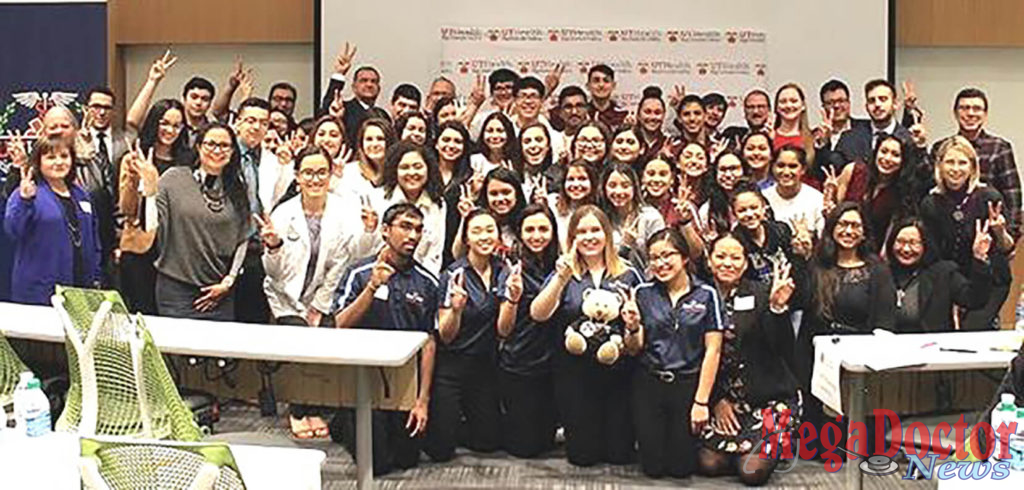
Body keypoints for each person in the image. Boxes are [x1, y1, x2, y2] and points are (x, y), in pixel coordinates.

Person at [259, 147, 373, 439]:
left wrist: (319, 306)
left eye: (321, 171)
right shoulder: (284, 214)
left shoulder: (343, 210)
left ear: (329, 175)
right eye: (308, 172)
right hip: (285, 297)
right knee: (300, 337)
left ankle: (315, 406)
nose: (315, 178)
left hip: (324, 294)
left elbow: (345, 262)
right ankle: (298, 410)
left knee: (323, 332)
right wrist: (273, 247)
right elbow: (276, 275)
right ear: (297, 176)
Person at [530, 205, 643, 466]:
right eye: (581, 232)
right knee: (583, 457)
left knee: (619, 456)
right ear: (572, 238)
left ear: (607, 234)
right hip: (574, 375)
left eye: (596, 230)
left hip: (618, 375)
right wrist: (561, 278)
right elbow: (538, 313)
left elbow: (637, 341)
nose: (589, 237)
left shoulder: (628, 273)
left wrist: (633, 325)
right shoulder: (565, 273)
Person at [332, 203, 437, 476]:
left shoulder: (427, 282)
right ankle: (344, 419)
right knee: (376, 463)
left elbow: (429, 343)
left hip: (403, 382)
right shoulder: (359, 273)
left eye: (417, 229)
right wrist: (372, 288)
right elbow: (339, 325)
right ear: (386, 231)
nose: (412, 236)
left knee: (406, 459)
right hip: (362, 379)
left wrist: (422, 401)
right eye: (405, 227)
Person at [697, 233, 801, 486]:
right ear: (709, 261)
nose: (727, 263)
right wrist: (717, 399)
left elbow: (784, 347)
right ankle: (746, 447)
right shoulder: (699, 296)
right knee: (709, 465)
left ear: (745, 264)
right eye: (720, 256)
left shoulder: (763, 293)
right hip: (724, 401)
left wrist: (777, 309)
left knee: (751, 472)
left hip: (768, 398)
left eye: (735, 257)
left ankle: (766, 442)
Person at [621, 228, 726, 478]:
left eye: (668, 255)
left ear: (684, 258)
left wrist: (701, 402)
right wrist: (633, 327)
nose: (661, 263)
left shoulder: (706, 294)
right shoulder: (643, 293)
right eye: (654, 258)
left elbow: (714, 350)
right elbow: (634, 348)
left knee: (681, 469)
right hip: (649, 383)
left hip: (688, 385)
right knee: (653, 469)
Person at [138, 123, 251, 320]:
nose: (217, 150)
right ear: (198, 147)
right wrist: (149, 192)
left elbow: (243, 237)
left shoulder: (237, 189)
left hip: (219, 293)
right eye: (211, 144)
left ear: (233, 151)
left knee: (216, 351)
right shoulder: (174, 179)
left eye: (225, 146)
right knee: (179, 350)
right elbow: (150, 227)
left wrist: (229, 281)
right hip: (176, 289)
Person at [427, 209, 511, 461]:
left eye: (489, 230)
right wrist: (456, 310)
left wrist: (513, 300)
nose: (484, 236)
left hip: (485, 366)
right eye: (476, 231)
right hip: (452, 365)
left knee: (488, 443)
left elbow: (503, 330)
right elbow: (446, 335)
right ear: (466, 239)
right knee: (440, 450)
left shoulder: (503, 270)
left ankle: (461, 424)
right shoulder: (454, 274)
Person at [920, 136, 1014, 330]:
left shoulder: (989, 197)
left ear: (972, 167)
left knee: (972, 331)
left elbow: (1007, 248)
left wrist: (1000, 232)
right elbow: (933, 257)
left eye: (962, 163)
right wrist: (953, 295)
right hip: (949, 278)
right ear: (940, 165)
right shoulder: (930, 203)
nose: (955, 169)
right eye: (950, 162)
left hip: (989, 278)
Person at [5, 136, 102, 305]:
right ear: (38, 162)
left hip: (80, 288)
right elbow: (13, 230)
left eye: (64, 156)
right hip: (39, 291)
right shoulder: (28, 192)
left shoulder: (81, 194)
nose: (59, 162)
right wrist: (25, 201)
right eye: (50, 157)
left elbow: (93, 238)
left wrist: (96, 275)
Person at [117, 99, 192, 314]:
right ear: (153, 123)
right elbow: (126, 209)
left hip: (175, 249)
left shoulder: (188, 160)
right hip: (140, 247)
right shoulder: (133, 158)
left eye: (177, 125)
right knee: (142, 312)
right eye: (164, 123)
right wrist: (135, 179)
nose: (170, 130)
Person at [498, 204, 560, 457]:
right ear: (520, 233)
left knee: (548, 443)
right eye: (530, 229)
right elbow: (503, 329)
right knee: (524, 448)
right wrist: (513, 298)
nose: (537, 235)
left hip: (555, 362)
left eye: (543, 229)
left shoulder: (562, 265)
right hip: (520, 360)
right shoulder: (511, 268)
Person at [930, 88, 1021, 244]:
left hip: (989, 235)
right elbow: (931, 185)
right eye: (965, 108)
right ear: (955, 113)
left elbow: (1012, 195)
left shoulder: (999, 147)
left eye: (977, 108)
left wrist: (1008, 238)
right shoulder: (942, 147)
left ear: (985, 115)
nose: (970, 113)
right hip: (948, 234)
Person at [885, 217, 993, 332]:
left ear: (925, 245)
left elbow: (974, 299)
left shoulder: (943, 273)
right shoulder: (881, 273)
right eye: (900, 242)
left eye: (913, 243)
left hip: (932, 345)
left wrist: (979, 259)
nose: (906, 249)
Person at [834, 135, 924, 247]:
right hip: (842, 240)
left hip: (872, 249)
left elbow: (890, 235)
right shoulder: (854, 170)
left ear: (904, 161)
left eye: (895, 155)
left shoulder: (903, 191)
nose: (887, 158)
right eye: (884, 151)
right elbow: (836, 211)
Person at [380, 141, 446, 275]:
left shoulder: (438, 204)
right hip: (383, 275)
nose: (412, 172)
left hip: (422, 281)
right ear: (395, 171)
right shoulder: (380, 199)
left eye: (417, 167)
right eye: (405, 167)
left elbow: (434, 254)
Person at [601, 162, 665, 268]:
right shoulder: (601, 218)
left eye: (625, 186)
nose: (618, 191)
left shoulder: (651, 217)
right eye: (612, 186)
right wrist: (624, 245)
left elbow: (660, 257)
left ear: (635, 187)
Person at [763, 145, 825, 236]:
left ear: (803, 169)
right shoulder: (763, 198)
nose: (786, 172)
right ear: (772, 167)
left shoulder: (817, 199)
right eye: (780, 166)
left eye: (792, 166)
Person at [817, 79, 871, 170]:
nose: (837, 106)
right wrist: (824, 143)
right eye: (830, 103)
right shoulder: (816, 137)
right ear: (823, 107)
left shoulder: (867, 128)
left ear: (849, 103)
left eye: (841, 101)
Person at [335, 118, 394, 201]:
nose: (374, 144)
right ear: (361, 144)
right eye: (369, 139)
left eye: (380, 139)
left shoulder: (397, 173)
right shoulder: (348, 172)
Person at [549, 160, 599, 249]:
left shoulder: (600, 210)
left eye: (582, 179)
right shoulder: (551, 203)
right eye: (571, 179)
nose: (576, 184)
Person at [471, 112, 518, 176]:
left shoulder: (516, 162)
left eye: (500, 131)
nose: (495, 136)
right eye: (490, 131)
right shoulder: (474, 161)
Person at [586, 64, 628, 130]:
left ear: (613, 85)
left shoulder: (623, 115)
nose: (601, 85)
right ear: (588, 86)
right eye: (596, 81)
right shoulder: (582, 114)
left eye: (606, 81)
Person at [636, 86, 669, 164]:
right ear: (638, 115)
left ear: (664, 115)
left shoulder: (669, 144)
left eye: (657, 113)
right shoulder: (630, 142)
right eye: (647, 112)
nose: (652, 117)